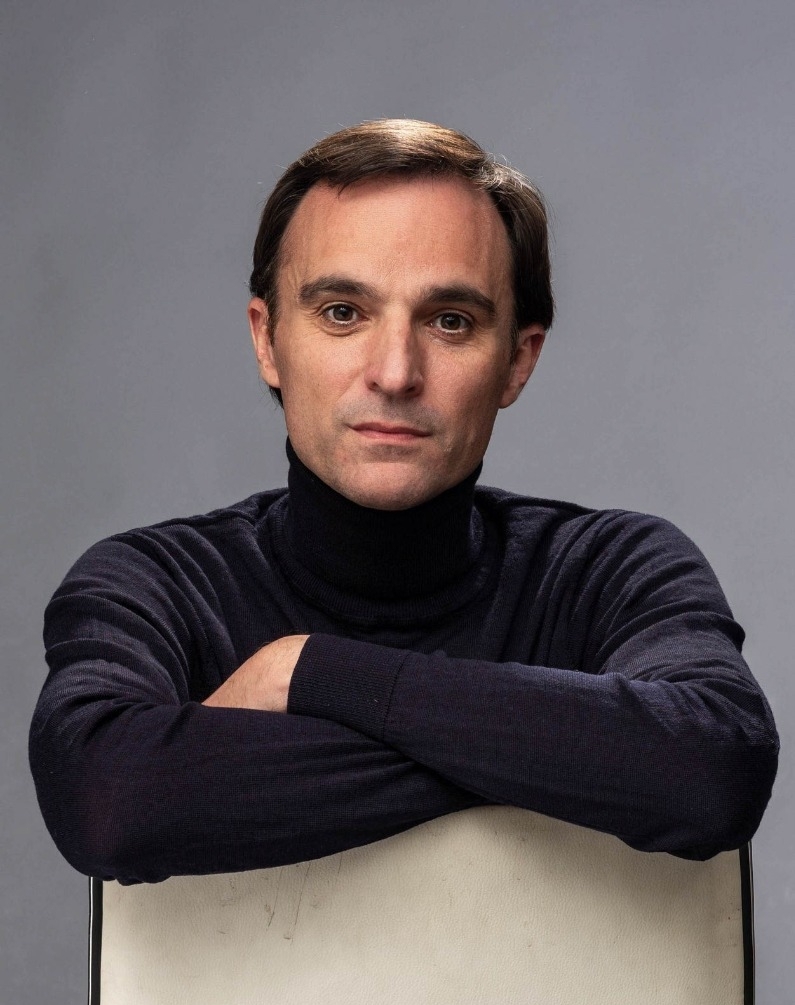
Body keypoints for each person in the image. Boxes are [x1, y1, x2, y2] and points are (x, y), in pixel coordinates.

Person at [29, 119, 778, 888]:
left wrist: (309, 672)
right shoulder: (155, 582)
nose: (394, 373)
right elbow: (110, 801)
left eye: (450, 321)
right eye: (342, 312)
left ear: (516, 361)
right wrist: (556, 767)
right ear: (267, 340)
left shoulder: (609, 570)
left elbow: (713, 768)